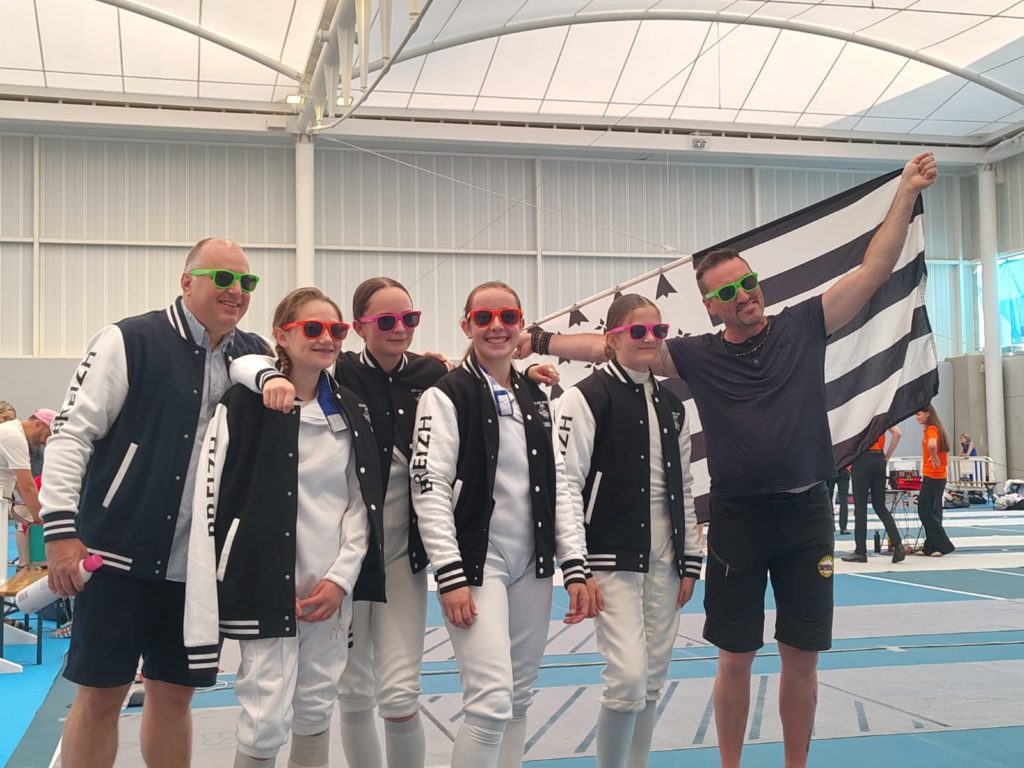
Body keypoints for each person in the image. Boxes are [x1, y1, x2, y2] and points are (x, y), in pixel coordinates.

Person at [518, 153, 938, 768]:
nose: (745, 296)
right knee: (735, 657)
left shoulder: (804, 324)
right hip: (738, 520)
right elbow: (616, 344)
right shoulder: (696, 355)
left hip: (807, 516)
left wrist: (904, 192)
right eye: (728, 292)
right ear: (710, 306)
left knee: (802, 657)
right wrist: (537, 341)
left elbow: (874, 269)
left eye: (748, 283)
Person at [39, 238, 270, 768]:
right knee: (101, 697)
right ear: (187, 282)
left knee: (173, 697)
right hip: (114, 558)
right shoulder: (129, 340)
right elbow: (71, 435)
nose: (236, 291)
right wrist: (60, 532)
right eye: (223, 278)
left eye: (247, 282)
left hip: (197, 571)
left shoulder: (253, 354)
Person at [185, 287, 377, 768]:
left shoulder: (351, 409)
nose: (326, 338)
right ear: (281, 336)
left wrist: (341, 579)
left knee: (316, 704)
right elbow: (211, 497)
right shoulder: (243, 404)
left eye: (336, 330)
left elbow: (361, 504)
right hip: (263, 585)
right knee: (264, 712)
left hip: (327, 591)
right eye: (312, 328)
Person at [412, 281, 589, 768]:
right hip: (476, 563)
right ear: (466, 325)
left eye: (507, 317)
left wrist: (574, 564)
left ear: (521, 324)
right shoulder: (445, 395)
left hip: (531, 563)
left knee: (518, 698)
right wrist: (449, 575)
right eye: (484, 318)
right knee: (490, 702)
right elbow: (429, 487)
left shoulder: (537, 393)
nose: (496, 327)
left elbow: (559, 484)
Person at [555, 294, 702, 768]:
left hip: (666, 558)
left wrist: (690, 560)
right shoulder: (585, 397)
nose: (649, 339)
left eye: (658, 331)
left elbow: (684, 484)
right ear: (612, 338)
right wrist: (576, 567)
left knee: (653, 678)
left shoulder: (673, 405)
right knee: (627, 678)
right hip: (609, 556)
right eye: (638, 331)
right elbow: (566, 484)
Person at [841, 427, 905, 564]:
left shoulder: (859, 417)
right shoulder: (880, 417)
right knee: (880, 506)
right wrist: (886, 456)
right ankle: (898, 545)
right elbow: (897, 433)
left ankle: (860, 552)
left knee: (860, 508)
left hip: (862, 458)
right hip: (879, 458)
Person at [0, 409, 54, 567]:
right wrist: (41, 520)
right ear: (38, 424)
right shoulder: (14, 437)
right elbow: (27, 485)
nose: (44, 442)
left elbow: (17, 481)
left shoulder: (11, 432)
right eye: (47, 435)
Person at [914, 405, 955, 557]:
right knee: (934, 511)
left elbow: (932, 445)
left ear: (928, 414)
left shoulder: (932, 429)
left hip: (933, 475)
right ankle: (930, 546)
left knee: (924, 511)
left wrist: (934, 455)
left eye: (919, 414)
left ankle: (944, 545)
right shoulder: (934, 429)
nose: (916, 417)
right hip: (938, 476)